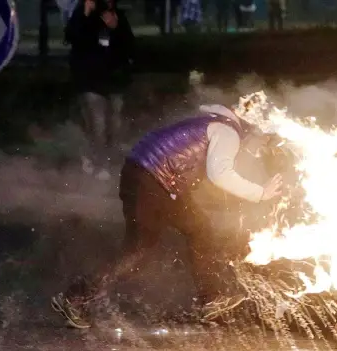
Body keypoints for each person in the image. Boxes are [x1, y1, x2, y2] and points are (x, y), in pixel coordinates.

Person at [51, 97, 284, 329]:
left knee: (200, 228)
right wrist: (260, 193)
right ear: (249, 125)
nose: (259, 147)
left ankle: (211, 300)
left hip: (156, 180)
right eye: (261, 138)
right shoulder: (227, 132)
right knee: (140, 248)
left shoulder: (213, 121)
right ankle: (75, 298)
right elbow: (220, 174)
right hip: (151, 180)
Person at [64, 0, 134, 181]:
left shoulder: (118, 16)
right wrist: (85, 13)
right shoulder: (83, 13)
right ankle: (101, 164)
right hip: (90, 81)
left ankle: (104, 160)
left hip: (114, 82)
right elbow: (71, 37)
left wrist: (116, 28)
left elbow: (129, 46)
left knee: (115, 125)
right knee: (98, 123)